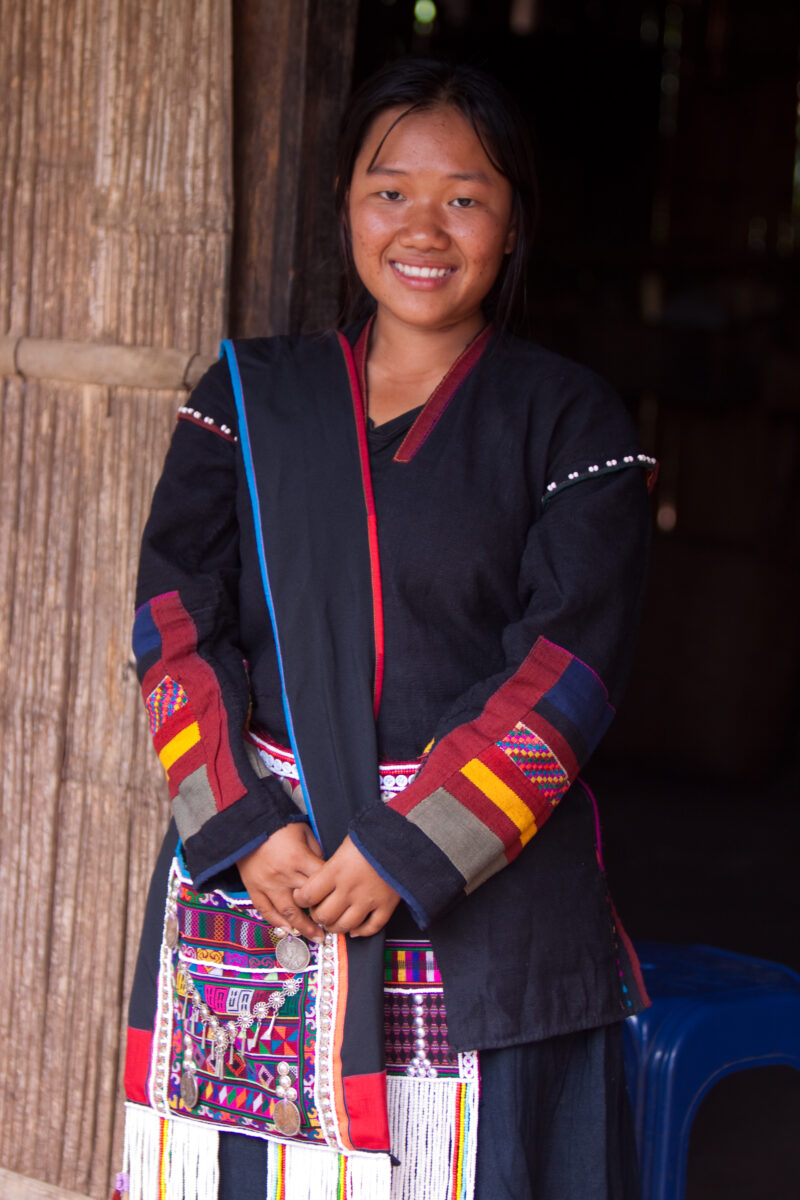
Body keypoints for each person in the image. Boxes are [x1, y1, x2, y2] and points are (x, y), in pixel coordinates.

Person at [119, 58, 656, 1200]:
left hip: (488, 914)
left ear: (513, 223)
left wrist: (408, 850)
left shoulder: (570, 422)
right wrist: (247, 830)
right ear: (344, 205)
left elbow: (567, 668)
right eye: (390, 191)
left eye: (464, 197)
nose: (423, 228)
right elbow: (174, 624)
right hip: (263, 887)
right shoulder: (248, 400)